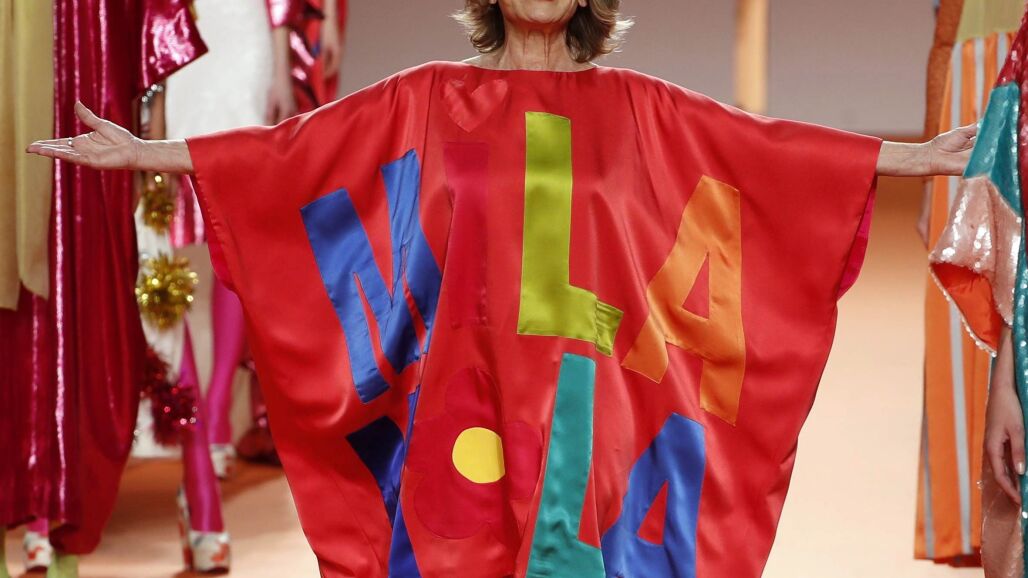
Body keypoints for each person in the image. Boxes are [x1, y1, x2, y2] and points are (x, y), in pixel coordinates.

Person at [27, 1, 977, 575]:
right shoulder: (427, 98)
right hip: (462, 400)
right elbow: (295, 158)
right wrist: (149, 154)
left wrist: (911, 156)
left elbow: (763, 156)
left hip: (589, 416)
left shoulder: (639, 107)